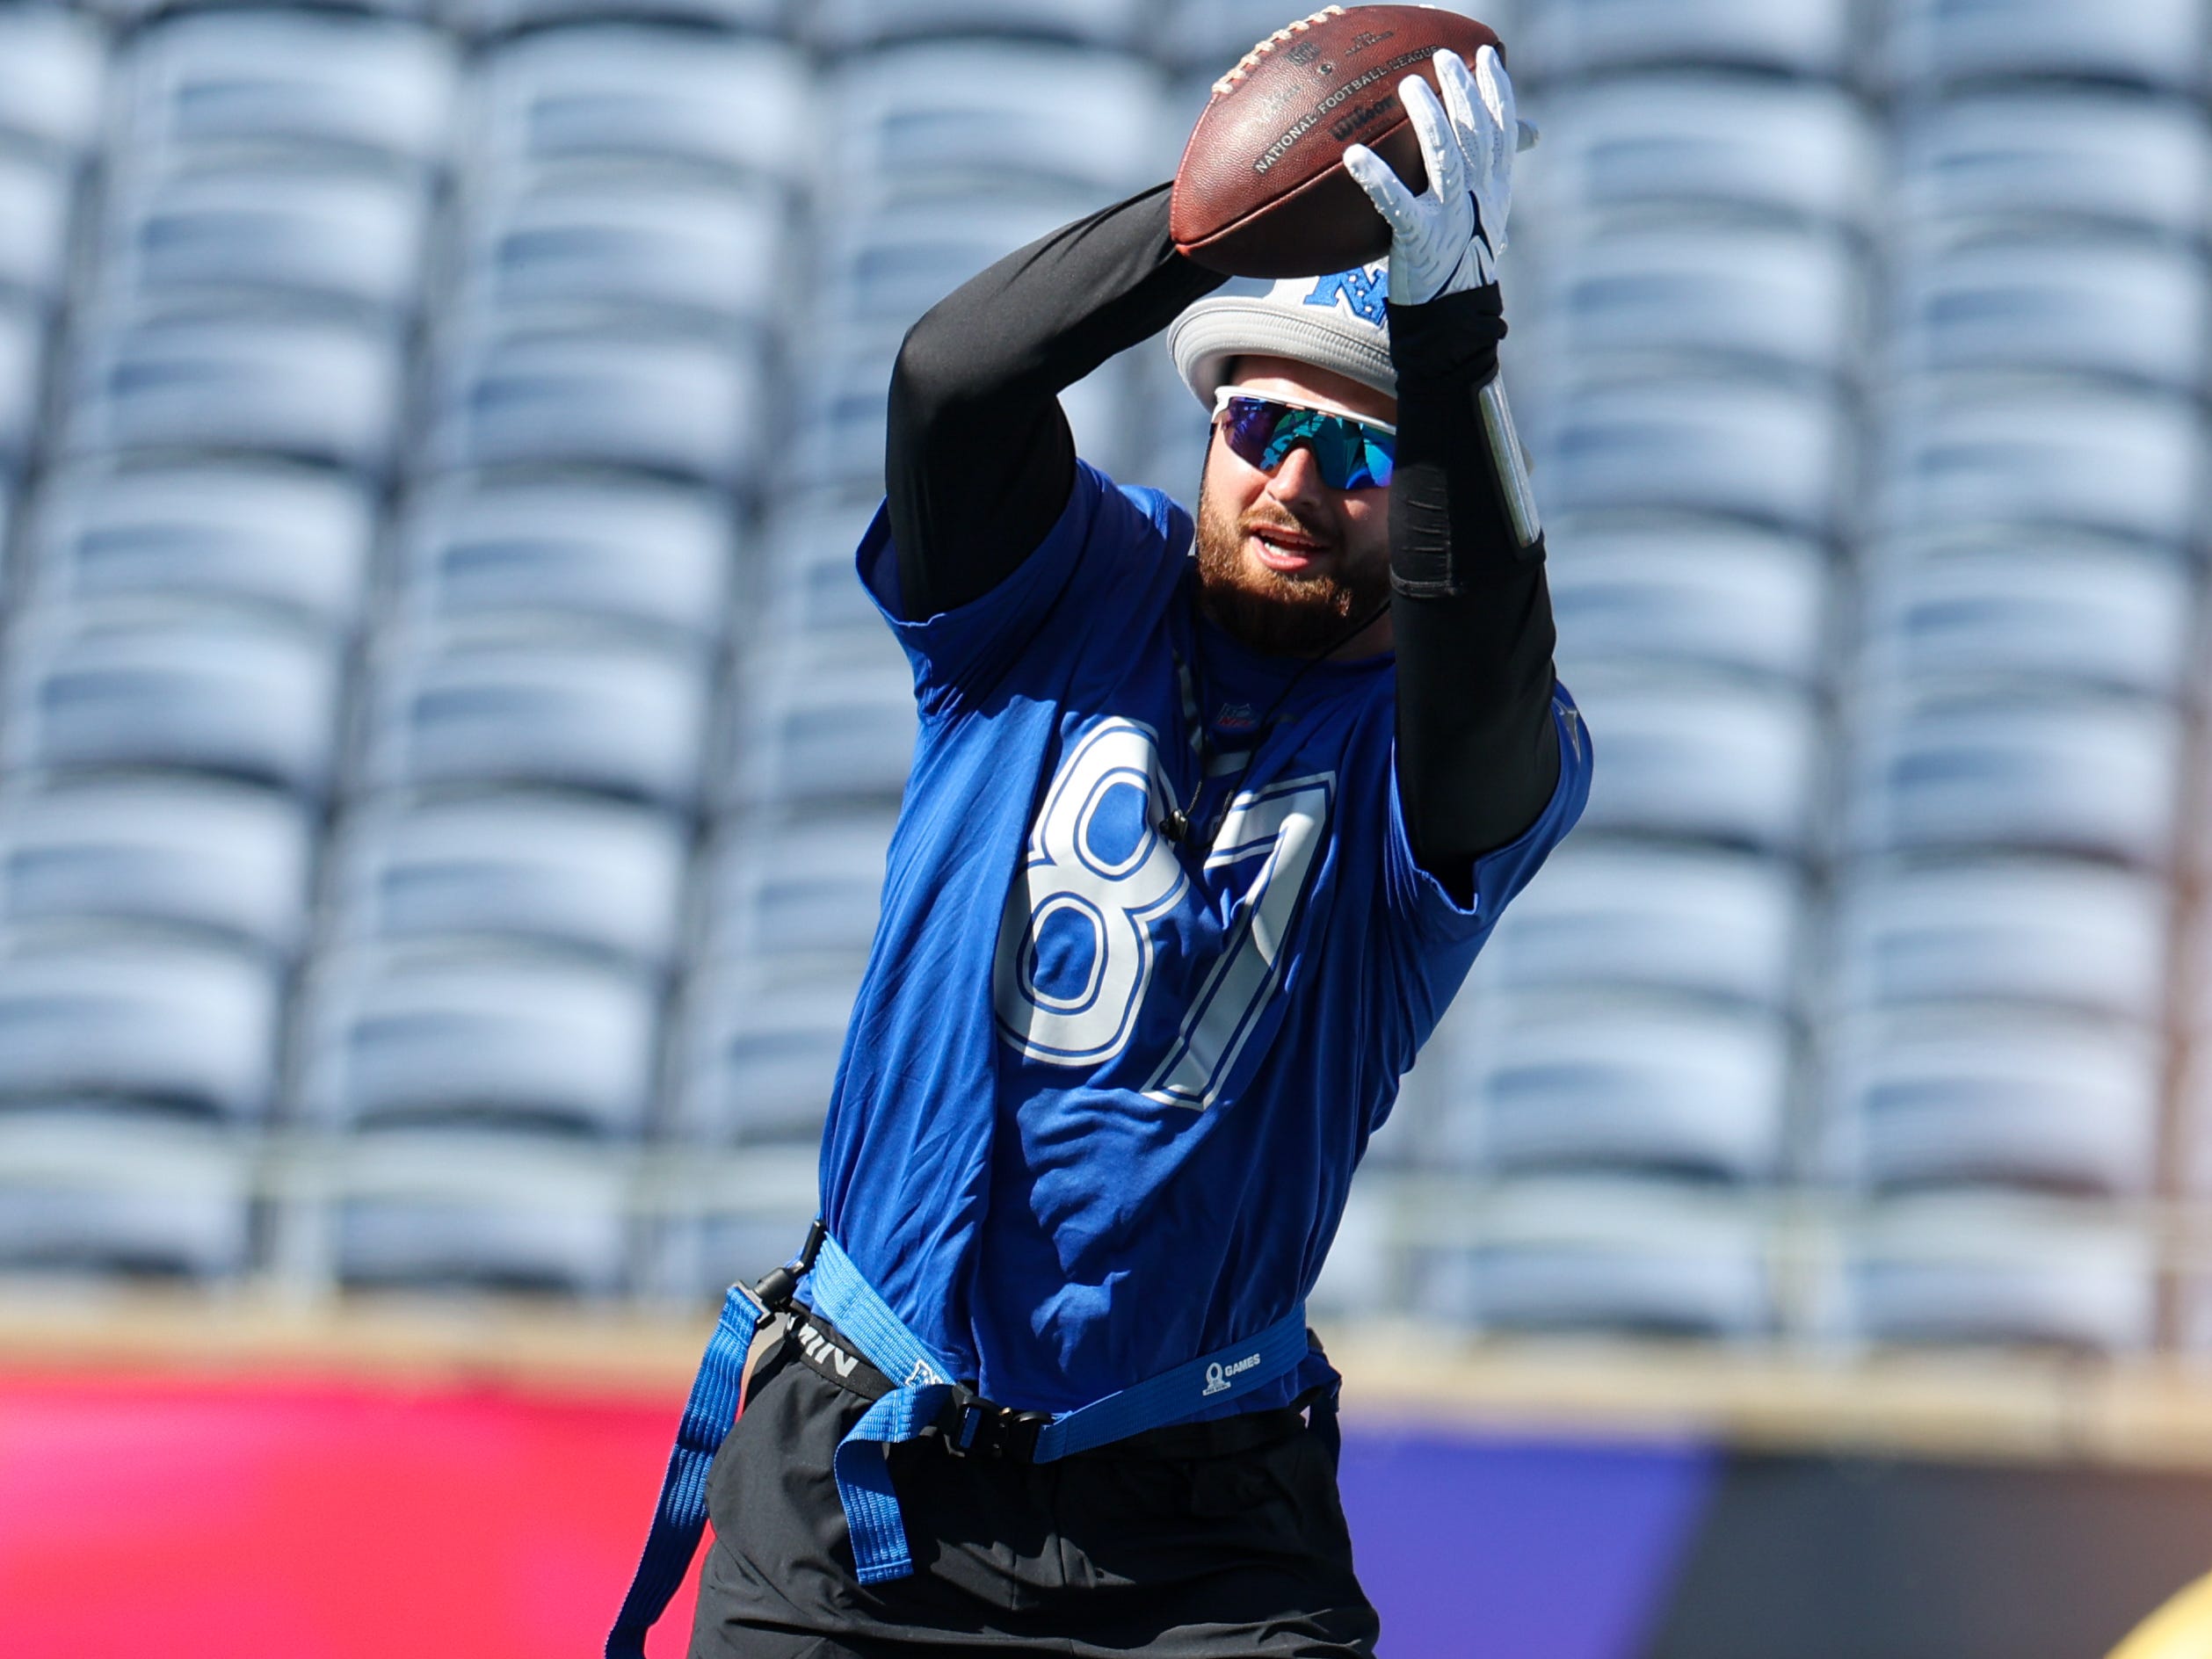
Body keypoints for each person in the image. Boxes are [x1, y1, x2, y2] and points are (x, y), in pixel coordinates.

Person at [609, 43, 1591, 1659]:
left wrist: (1446, 348)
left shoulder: (1448, 750)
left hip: (1192, 1528)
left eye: (1358, 456)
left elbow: (1480, 663)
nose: (1292, 481)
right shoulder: (1071, 585)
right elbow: (954, 381)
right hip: (857, 1478)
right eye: (1261, 423)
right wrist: (1227, 223)